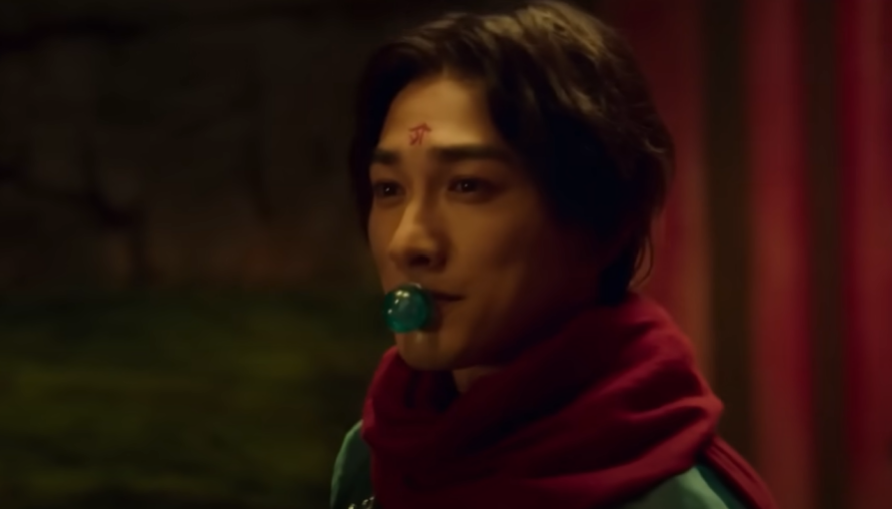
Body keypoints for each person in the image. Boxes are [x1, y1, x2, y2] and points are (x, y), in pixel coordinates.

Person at [331, 1, 776, 508]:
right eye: (389, 189)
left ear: (601, 217)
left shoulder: (675, 497)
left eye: (467, 185)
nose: (407, 242)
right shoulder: (375, 457)